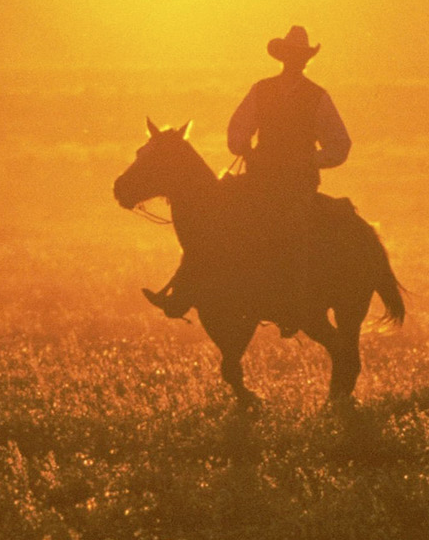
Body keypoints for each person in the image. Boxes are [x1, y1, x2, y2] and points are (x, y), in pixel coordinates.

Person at [145, 26, 351, 327]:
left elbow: (340, 145)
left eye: (299, 56)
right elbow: (238, 129)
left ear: (304, 60)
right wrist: (244, 146)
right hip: (260, 179)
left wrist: (308, 162)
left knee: (291, 230)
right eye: (290, 55)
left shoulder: (315, 96)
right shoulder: (263, 90)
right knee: (213, 216)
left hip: (296, 185)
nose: (294, 61)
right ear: (284, 57)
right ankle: (184, 290)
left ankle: (292, 301)